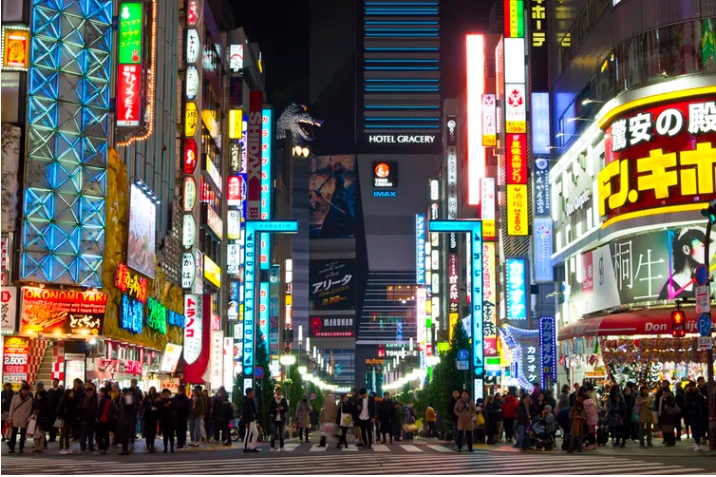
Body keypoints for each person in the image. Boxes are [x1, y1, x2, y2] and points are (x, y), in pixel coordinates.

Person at [7, 383, 33, 454]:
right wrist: (10, 417)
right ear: (21, 390)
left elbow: (29, 409)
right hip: (15, 417)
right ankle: (12, 448)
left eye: (26, 390)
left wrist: (26, 416)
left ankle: (21, 448)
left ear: (28, 391)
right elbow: (12, 407)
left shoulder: (29, 399)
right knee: (13, 434)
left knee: (22, 434)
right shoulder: (15, 397)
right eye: (23, 390)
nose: (24, 391)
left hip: (23, 418)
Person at [31, 382, 51, 454]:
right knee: (36, 432)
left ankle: (40, 447)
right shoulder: (38, 394)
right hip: (37, 416)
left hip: (43, 417)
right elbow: (35, 403)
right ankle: (37, 446)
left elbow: (47, 407)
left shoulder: (45, 396)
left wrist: (40, 410)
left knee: (41, 432)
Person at [116, 388, 137, 455]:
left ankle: (125, 450)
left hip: (126, 420)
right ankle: (124, 449)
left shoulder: (128, 398)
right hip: (125, 419)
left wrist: (123, 399)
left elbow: (127, 407)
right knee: (124, 435)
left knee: (125, 435)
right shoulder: (129, 398)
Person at [686, 384, 706, 451]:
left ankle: (698, 443)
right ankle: (698, 442)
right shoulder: (699, 394)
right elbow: (703, 404)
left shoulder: (688, 395)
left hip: (692, 414)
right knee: (698, 428)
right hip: (699, 414)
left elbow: (686, 405)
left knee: (694, 429)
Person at [78, 384, 98, 454]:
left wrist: (95, 417)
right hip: (85, 419)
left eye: (91, 393)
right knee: (83, 434)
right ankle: (82, 448)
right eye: (88, 393)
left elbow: (96, 409)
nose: (90, 394)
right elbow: (80, 409)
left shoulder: (94, 400)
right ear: (86, 393)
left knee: (91, 434)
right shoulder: (83, 400)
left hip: (92, 419)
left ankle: (90, 447)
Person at [269, 387, 288, 452]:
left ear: (281, 392)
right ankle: (272, 447)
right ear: (275, 392)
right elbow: (270, 409)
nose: (278, 393)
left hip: (282, 419)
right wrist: (275, 410)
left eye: (279, 391)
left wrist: (282, 408)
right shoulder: (272, 400)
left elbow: (286, 409)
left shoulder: (283, 400)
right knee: (273, 433)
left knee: (281, 434)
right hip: (274, 419)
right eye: (277, 391)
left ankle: (282, 446)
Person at [96, 387, 113, 455]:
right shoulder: (109, 399)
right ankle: (105, 449)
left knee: (99, 435)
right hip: (108, 419)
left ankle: (101, 448)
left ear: (103, 392)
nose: (99, 393)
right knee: (106, 435)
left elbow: (100, 410)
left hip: (102, 419)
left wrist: (97, 417)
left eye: (100, 392)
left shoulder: (103, 400)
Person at [241, 388, 259, 453]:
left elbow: (254, 410)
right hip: (248, 420)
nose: (253, 394)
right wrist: (245, 422)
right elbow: (244, 412)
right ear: (249, 393)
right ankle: (245, 448)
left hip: (252, 419)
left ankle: (252, 447)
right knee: (248, 433)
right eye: (252, 392)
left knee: (256, 433)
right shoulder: (245, 401)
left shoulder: (251, 401)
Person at [142, 388, 160, 453]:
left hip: (154, 421)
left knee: (153, 434)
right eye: (158, 398)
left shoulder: (158, 404)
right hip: (149, 421)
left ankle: (152, 446)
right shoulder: (150, 403)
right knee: (149, 434)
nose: (159, 399)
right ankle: (148, 445)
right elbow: (146, 412)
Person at [160, 388, 177, 452]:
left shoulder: (173, 400)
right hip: (164, 420)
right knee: (165, 435)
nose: (166, 396)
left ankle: (172, 447)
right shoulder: (162, 401)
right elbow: (160, 409)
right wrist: (164, 406)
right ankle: (165, 447)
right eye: (165, 394)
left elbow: (177, 407)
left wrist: (171, 403)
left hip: (172, 420)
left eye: (167, 394)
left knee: (171, 435)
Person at [174, 384, 191, 450]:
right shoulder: (177, 398)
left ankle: (181, 443)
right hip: (178, 417)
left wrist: (185, 415)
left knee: (181, 430)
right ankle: (180, 442)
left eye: (179, 390)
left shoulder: (184, 399)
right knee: (178, 430)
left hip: (182, 417)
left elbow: (188, 409)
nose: (178, 391)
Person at [47, 378, 62, 443]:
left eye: (55, 382)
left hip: (57, 410)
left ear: (58, 383)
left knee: (56, 424)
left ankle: (55, 435)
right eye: (53, 382)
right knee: (50, 424)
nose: (54, 383)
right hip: (50, 410)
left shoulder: (61, 392)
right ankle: (51, 436)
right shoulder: (49, 391)